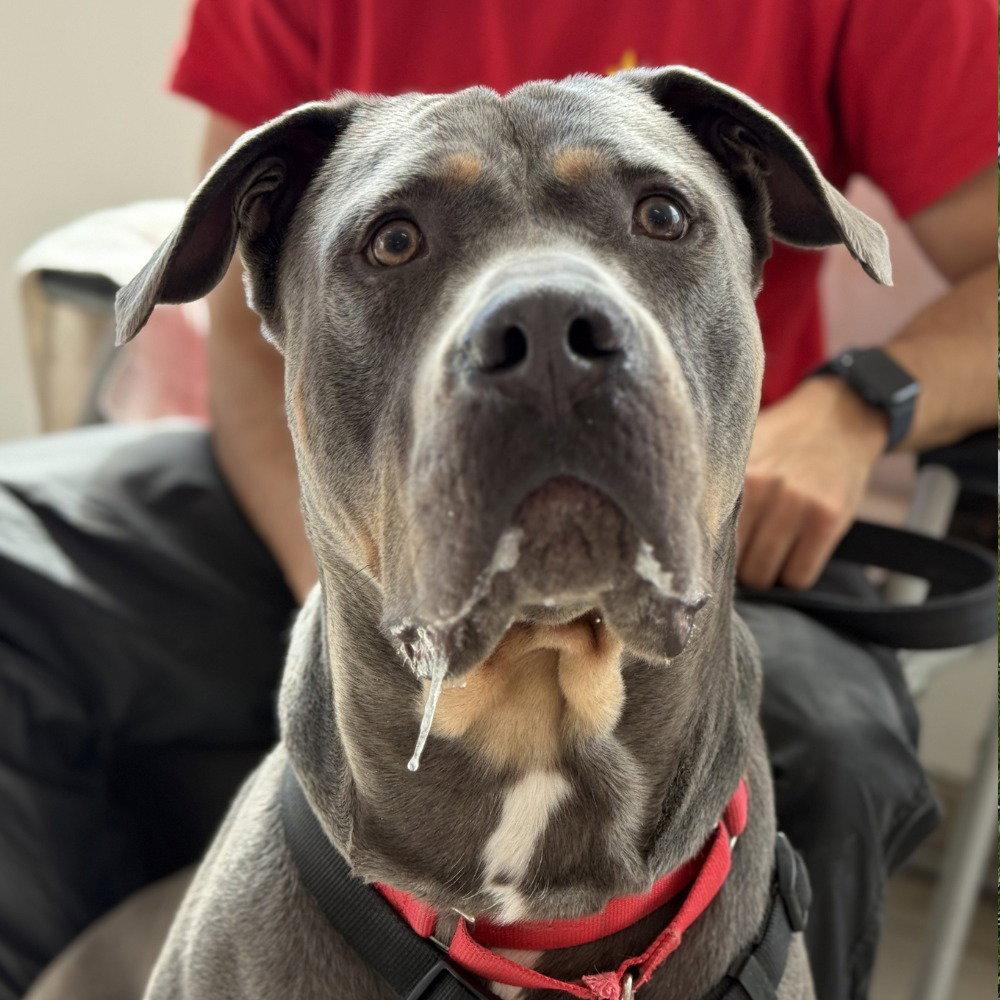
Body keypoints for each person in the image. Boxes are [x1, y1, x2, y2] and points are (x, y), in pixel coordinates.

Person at [0, 2, 995, 998]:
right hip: (355, 490)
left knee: (830, 739)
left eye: (658, 217)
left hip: (713, 509)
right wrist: (368, 578)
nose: (546, 319)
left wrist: (862, 403)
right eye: (394, 241)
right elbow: (240, 339)